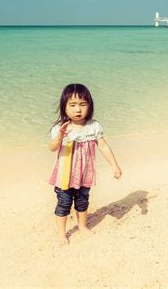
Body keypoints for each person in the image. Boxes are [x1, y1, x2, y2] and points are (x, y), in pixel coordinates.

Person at [48, 83, 122, 245]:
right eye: (72, 105)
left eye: (83, 104)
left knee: (83, 201)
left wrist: (114, 165)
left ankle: (82, 226)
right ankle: (62, 233)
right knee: (64, 203)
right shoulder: (61, 128)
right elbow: (52, 148)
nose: (78, 110)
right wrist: (60, 137)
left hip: (85, 173)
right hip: (65, 175)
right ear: (64, 107)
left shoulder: (93, 126)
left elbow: (103, 145)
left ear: (90, 106)